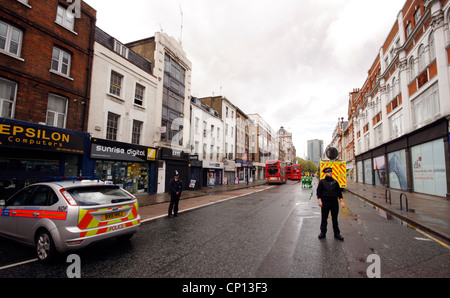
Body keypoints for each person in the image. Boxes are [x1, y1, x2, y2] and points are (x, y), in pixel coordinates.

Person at [316, 167, 345, 240]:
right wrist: (320, 201)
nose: (330, 173)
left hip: (334, 203)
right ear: (325, 173)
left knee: (335, 219)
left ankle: (337, 234)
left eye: (331, 172)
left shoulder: (335, 182)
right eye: (328, 172)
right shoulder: (322, 182)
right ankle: (323, 233)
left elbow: (339, 193)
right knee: (324, 218)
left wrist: (342, 202)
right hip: (325, 203)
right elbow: (318, 192)